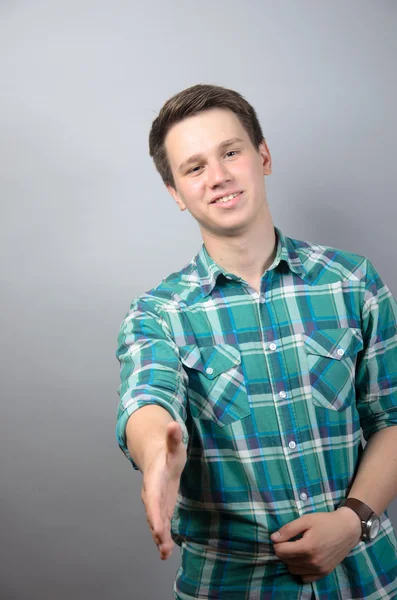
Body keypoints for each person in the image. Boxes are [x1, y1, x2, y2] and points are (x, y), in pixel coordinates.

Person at [115, 84, 397, 599]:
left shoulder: (353, 281)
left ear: (262, 156)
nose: (218, 176)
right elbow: (147, 399)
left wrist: (352, 520)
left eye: (230, 152)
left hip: (368, 580)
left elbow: (392, 418)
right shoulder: (159, 313)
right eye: (194, 167)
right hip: (230, 586)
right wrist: (158, 456)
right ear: (176, 193)